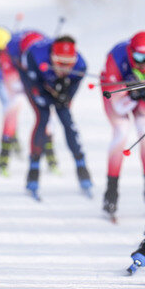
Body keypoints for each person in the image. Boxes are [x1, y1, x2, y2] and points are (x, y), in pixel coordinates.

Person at [21, 35, 91, 200]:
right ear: (52, 57)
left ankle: (82, 168)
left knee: (67, 121)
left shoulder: (80, 66)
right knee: (42, 118)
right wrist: (47, 94)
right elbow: (33, 87)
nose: (65, 68)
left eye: (69, 64)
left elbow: (71, 92)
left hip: (60, 89)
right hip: (39, 84)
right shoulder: (35, 56)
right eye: (60, 63)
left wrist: (65, 96)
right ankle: (33, 170)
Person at [101, 31, 145, 219]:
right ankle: (111, 192)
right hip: (117, 97)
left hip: (139, 99)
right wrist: (131, 94)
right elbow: (117, 107)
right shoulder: (116, 58)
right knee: (121, 133)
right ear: (130, 52)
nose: (144, 63)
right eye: (139, 58)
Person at [0, 29, 59, 175]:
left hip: (34, 71)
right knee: (14, 104)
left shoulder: (44, 50)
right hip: (14, 69)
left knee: (45, 110)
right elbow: (12, 82)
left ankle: (50, 155)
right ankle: (4, 156)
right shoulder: (11, 50)